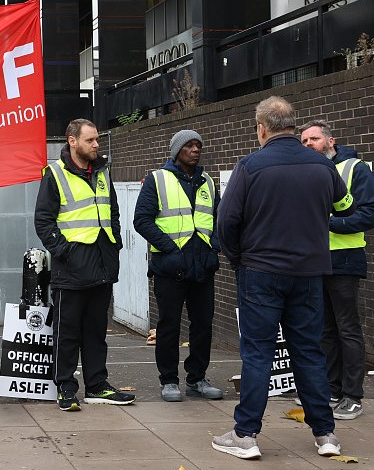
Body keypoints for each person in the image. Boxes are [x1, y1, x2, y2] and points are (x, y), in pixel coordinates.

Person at [212, 96, 354, 460]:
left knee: (257, 354)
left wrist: (240, 260)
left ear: (261, 128)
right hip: (309, 274)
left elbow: (226, 223)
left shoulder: (251, 166)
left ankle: (246, 435)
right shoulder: (323, 166)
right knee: (308, 352)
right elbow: (345, 205)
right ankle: (325, 435)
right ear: (293, 125)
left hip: (261, 272)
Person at [33, 118, 135, 412]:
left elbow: (112, 211)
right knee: (67, 334)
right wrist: (65, 252)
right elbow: (43, 221)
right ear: (72, 141)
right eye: (90, 140)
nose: (96, 145)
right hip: (71, 269)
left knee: (95, 333)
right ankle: (65, 387)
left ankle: (97, 385)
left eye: (97, 140)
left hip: (102, 265)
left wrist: (114, 240)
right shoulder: (54, 174)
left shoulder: (102, 171)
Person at [134, 130, 223, 403]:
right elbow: (142, 220)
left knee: (202, 325)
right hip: (170, 267)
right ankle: (169, 381)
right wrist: (172, 248)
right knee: (169, 326)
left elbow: (217, 218)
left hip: (202, 266)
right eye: (189, 146)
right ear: (176, 151)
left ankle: (197, 378)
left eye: (198, 145)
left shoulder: (207, 181)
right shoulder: (157, 180)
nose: (195, 150)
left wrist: (213, 247)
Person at [298, 119, 373, 420]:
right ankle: (332, 387)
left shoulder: (356, 168)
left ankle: (353, 395)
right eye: (303, 141)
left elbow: (368, 213)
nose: (309, 145)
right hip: (315, 261)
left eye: (314, 139)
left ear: (330, 141)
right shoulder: (307, 172)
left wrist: (329, 224)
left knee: (348, 328)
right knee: (325, 329)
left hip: (344, 260)